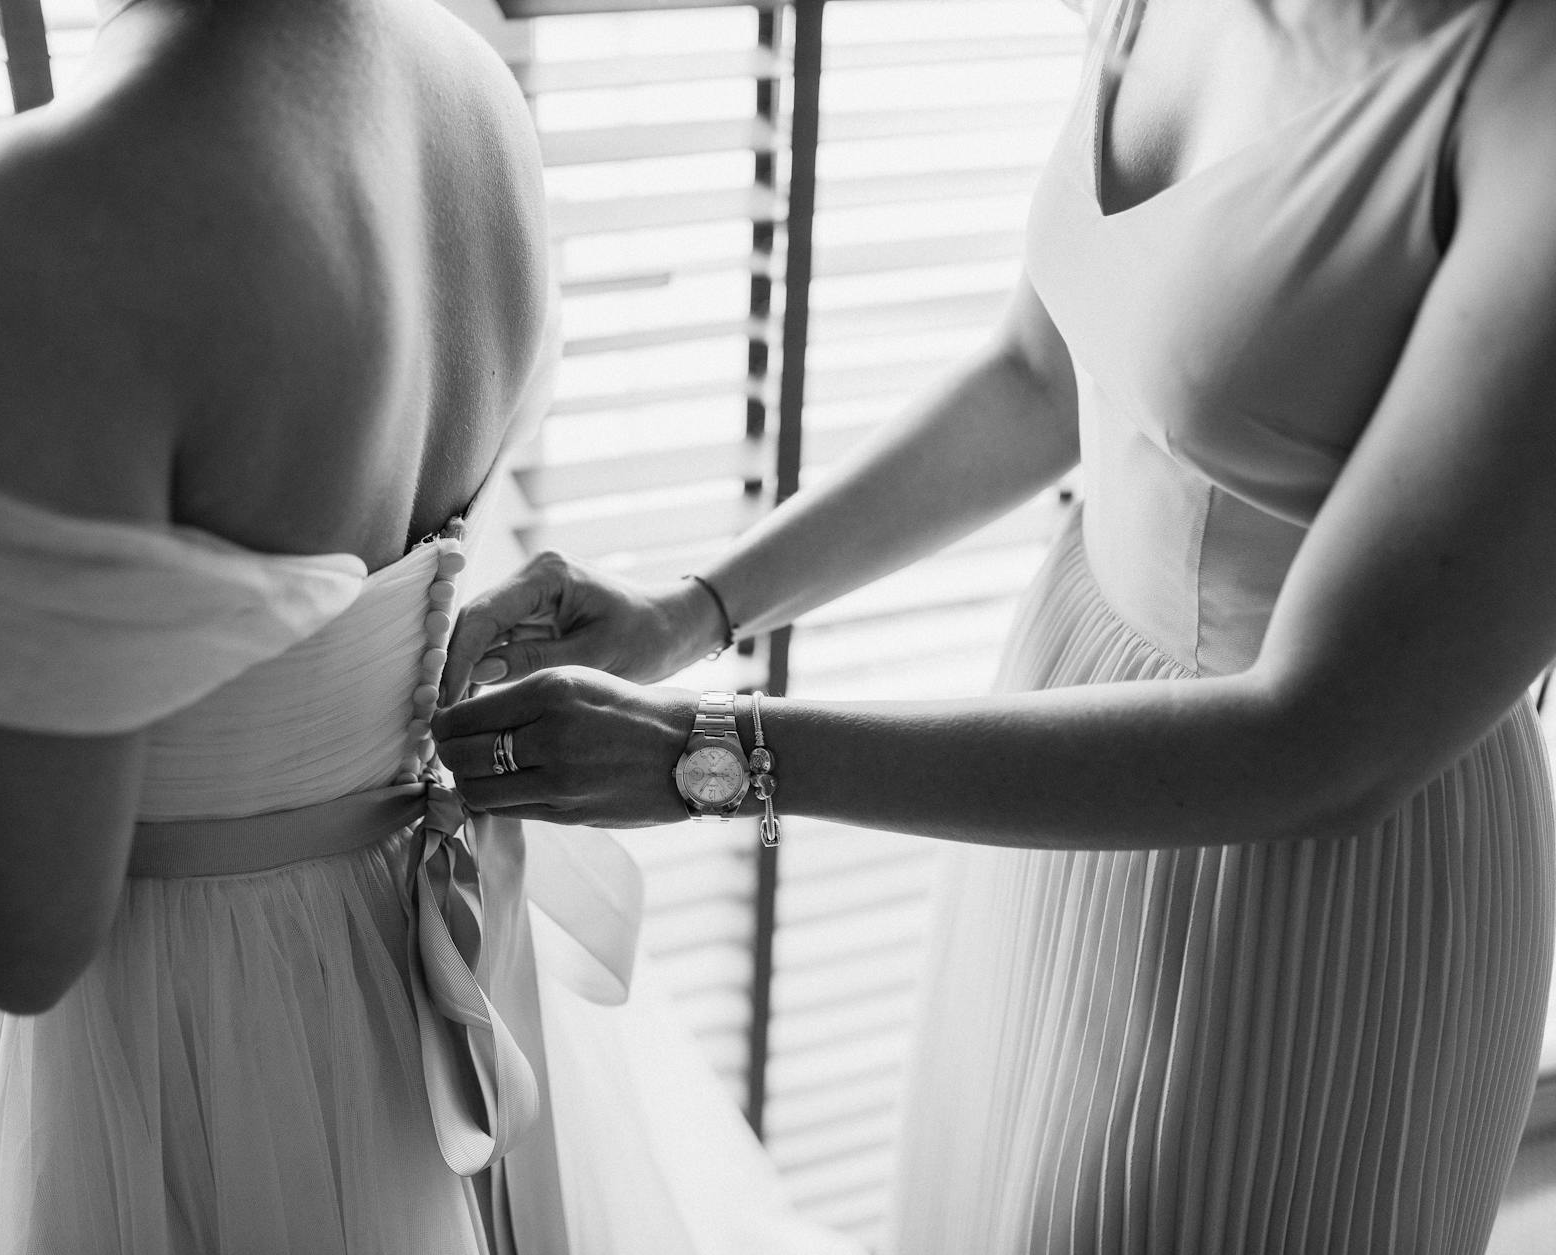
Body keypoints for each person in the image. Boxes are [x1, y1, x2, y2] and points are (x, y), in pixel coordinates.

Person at [431, 0, 1556, 1249]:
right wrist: (691, 608)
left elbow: (1322, 738)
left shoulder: (1526, 100)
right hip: (1056, 767)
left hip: (1316, 876)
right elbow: (1037, 372)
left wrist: (701, 756)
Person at [0, 0, 865, 1250]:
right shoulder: (466, 89)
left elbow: (5, 928)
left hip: (168, 1054)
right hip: (402, 964)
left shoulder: (48, 226)